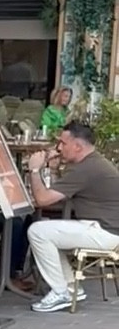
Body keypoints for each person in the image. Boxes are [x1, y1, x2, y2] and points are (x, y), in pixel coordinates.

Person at [25, 120, 119, 312]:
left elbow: (43, 199)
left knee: (38, 231)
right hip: (104, 227)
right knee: (50, 234)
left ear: (77, 146)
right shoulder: (91, 162)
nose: (59, 147)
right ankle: (69, 287)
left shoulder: (86, 169)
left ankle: (61, 292)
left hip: (105, 231)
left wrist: (34, 170)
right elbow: (59, 190)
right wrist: (52, 167)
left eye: (63, 143)